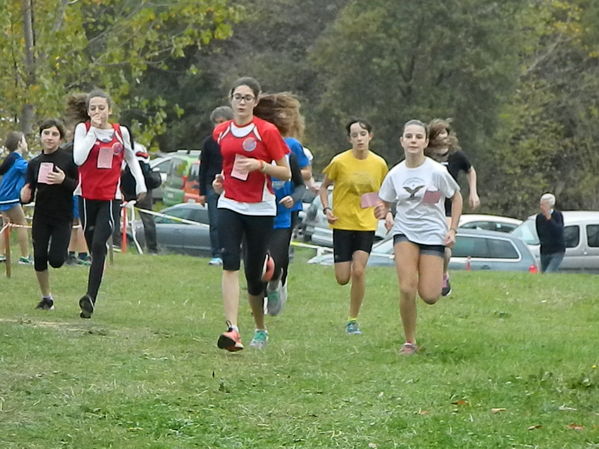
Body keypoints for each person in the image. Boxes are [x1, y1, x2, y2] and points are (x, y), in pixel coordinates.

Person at [212, 76, 291, 351]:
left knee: (253, 276)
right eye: (237, 97)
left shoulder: (266, 131)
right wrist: (218, 182)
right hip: (230, 203)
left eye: (247, 98)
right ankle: (233, 329)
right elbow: (226, 166)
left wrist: (260, 165)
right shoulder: (221, 131)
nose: (242, 102)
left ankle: (260, 326)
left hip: (260, 207)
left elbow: (285, 171)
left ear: (256, 101)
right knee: (230, 262)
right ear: (230, 99)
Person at [375, 119, 462, 355]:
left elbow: (456, 197)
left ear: (425, 142)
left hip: (433, 232)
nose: (413, 140)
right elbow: (383, 200)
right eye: (409, 136)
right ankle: (409, 341)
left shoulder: (437, 171)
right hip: (405, 232)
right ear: (402, 141)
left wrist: (452, 229)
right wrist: (384, 212)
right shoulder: (395, 173)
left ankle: (443, 267)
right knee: (406, 288)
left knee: (430, 296)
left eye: (418, 137)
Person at [73, 89, 147, 319]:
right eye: (93, 108)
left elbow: (131, 158)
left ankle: (90, 297)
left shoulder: (120, 132)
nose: (97, 112)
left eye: (101, 108)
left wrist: (141, 184)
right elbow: (78, 158)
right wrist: (93, 132)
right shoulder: (83, 130)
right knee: (92, 244)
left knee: (98, 245)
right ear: (88, 111)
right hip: (86, 196)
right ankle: (90, 297)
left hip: (110, 197)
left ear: (110, 110)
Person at [319, 118, 388, 335]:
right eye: (355, 135)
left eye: (363, 134)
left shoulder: (379, 164)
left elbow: (385, 194)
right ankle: (351, 314)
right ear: (349, 138)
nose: (359, 138)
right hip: (343, 222)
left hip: (366, 224)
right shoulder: (339, 162)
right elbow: (323, 187)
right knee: (342, 278)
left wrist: (385, 211)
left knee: (359, 271)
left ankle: (352, 319)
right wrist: (326, 209)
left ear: (370, 136)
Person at [253, 92, 307, 315]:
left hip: (285, 212)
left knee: (278, 260)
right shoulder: (252, 150)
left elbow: (301, 178)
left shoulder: (291, 148)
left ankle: (277, 283)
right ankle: (263, 294)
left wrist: (292, 198)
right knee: (257, 264)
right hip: (256, 212)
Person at [20, 119, 78, 310]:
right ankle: (47, 298)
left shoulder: (69, 160)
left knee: (56, 260)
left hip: (63, 216)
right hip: (41, 216)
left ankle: (59, 256)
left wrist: (64, 180)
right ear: (41, 137)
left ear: (60, 138)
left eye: (54, 134)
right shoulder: (34, 163)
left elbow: (79, 187)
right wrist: (24, 195)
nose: (50, 138)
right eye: (46, 133)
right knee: (38, 257)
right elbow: (28, 192)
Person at [426, 118, 479, 296]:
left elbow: (470, 170)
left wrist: (473, 192)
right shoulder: (424, 153)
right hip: (429, 203)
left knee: (446, 248)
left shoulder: (457, 154)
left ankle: (443, 274)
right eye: (439, 133)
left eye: (445, 132)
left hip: (449, 205)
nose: (442, 136)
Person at [198, 106, 234, 266]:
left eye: (222, 122)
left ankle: (232, 251)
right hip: (212, 185)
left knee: (232, 221)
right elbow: (203, 167)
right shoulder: (209, 143)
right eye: (216, 123)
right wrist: (202, 192)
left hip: (233, 185)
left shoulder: (236, 141)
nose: (219, 125)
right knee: (215, 222)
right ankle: (217, 253)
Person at [62, 93, 91, 266]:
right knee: (79, 221)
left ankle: (72, 252)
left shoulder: (80, 134)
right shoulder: (86, 133)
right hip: (80, 184)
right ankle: (81, 253)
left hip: (76, 183)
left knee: (76, 221)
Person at [120, 142, 159, 254]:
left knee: (147, 219)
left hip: (135, 187)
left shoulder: (126, 146)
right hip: (130, 187)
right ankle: (152, 249)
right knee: (147, 219)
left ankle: (152, 248)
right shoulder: (140, 147)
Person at [0, 131, 32, 264]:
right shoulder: (18, 161)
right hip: (10, 198)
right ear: (19, 143)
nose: (26, 143)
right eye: (24, 140)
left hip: (2, 197)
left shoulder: (10, 160)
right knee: (22, 224)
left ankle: (1, 254)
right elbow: (31, 170)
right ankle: (25, 257)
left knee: (6, 226)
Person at [535, 193, 565, 273]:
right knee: (544, 273)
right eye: (540, 205)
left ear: (550, 205)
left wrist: (549, 219)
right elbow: (539, 232)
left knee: (549, 273)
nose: (541, 207)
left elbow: (559, 231)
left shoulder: (557, 215)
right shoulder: (539, 217)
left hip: (557, 251)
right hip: (544, 251)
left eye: (543, 205)